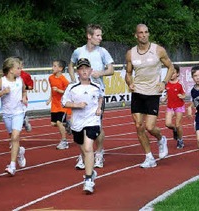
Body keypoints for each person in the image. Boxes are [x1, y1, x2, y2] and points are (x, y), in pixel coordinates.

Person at [125, 24, 175, 168]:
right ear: (136, 35)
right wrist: (130, 83)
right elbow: (128, 73)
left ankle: (161, 138)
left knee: (150, 126)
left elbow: (171, 67)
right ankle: (149, 157)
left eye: (146, 32)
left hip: (153, 92)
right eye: (141, 33)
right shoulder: (130, 53)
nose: (144, 35)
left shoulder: (158, 50)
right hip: (138, 92)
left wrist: (164, 82)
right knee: (139, 126)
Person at [69, 24, 115, 169]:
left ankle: (99, 153)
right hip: (81, 93)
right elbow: (71, 65)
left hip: (97, 94)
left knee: (97, 125)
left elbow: (111, 69)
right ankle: (84, 155)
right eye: (98, 35)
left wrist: (99, 73)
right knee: (80, 125)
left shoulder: (102, 52)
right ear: (89, 36)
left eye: (101, 35)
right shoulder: (78, 51)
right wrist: (73, 79)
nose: (100, 38)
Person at [62, 58, 104, 194]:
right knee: (83, 150)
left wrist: (99, 109)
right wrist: (76, 105)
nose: (84, 71)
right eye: (81, 69)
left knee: (88, 148)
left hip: (92, 121)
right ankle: (91, 171)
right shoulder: (72, 87)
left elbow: (100, 97)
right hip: (77, 123)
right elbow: (64, 103)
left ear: (91, 71)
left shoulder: (97, 86)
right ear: (78, 72)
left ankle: (88, 180)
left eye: (87, 68)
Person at [0, 57, 27, 176]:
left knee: (15, 136)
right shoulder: (2, 81)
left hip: (18, 112)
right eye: (18, 68)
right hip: (7, 113)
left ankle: (12, 165)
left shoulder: (20, 80)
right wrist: (2, 92)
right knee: (12, 139)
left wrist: (24, 97)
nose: (20, 70)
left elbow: (24, 91)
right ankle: (19, 152)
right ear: (11, 70)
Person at [48, 60, 72, 150]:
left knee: (59, 122)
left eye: (54, 66)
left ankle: (64, 141)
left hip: (63, 105)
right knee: (53, 123)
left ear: (60, 68)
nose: (52, 68)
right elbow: (51, 89)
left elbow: (68, 93)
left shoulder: (64, 80)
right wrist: (50, 98)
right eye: (52, 66)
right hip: (54, 105)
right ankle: (67, 124)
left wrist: (58, 90)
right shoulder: (50, 78)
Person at [162, 64, 185, 149]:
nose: (171, 75)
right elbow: (168, 93)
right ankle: (174, 129)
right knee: (167, 124)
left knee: (178, 124)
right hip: (170, 107)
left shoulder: (180, 84)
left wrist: (182, 96)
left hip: (179, 106)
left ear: (177, 74)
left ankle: (180, 140)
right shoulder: (167, 84)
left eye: (173, 73)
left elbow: (184, 94)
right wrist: (165, 98)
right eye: (170, 73)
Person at [15, 56, 34, 132]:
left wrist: (23, 87)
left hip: (22, 99)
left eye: (20, 66)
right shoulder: (9, 75)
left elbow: (31, 87)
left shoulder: (25, 75)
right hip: (11, 100)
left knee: (19, 115)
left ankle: (24, 119)